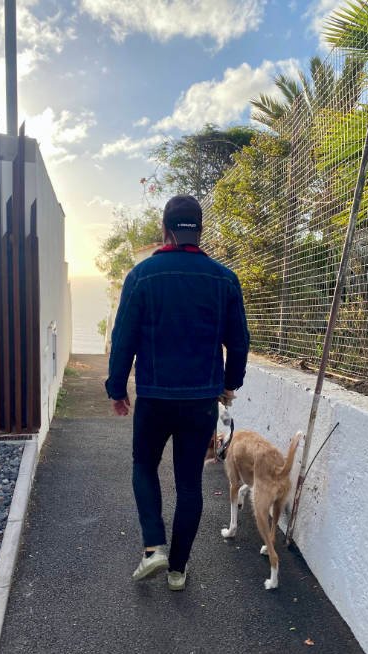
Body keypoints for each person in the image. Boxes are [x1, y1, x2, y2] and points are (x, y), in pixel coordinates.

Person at [105, 194, 249, 591]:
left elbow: (123, 338)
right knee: (189, 484)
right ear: (199, 229)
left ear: (165, 229)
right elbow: (238, 342)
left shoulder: (143, 275)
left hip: (154, 397)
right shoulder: (224, 279)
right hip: (200, 401)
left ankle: (154, 548)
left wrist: (117, 387)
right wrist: (228, 384)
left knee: (143, 466)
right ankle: (178, 570)